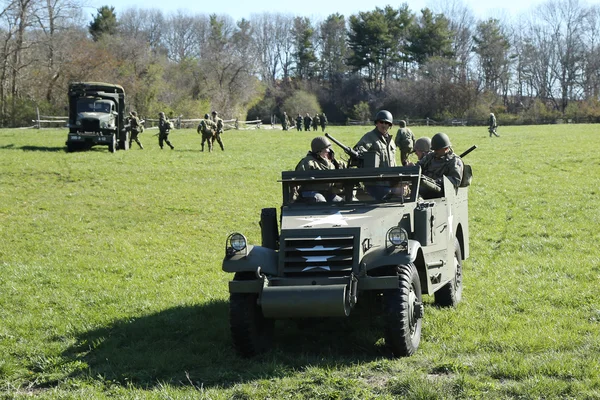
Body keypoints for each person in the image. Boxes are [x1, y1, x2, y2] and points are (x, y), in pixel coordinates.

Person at [353, 110, 397, 200]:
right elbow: (359, 148)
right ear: (377, 123)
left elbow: (394, 161)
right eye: (381, 122)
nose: (384, 125)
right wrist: (364, 152)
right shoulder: (370, 137)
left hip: (390, 182)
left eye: (387, 123)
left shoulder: (391, 141)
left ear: (390, 125)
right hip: (375, 183)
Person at [295, 136, 345, 202]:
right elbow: (297, 180)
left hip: (326, 193)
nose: (328, 151)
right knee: (320, 201)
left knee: (340, 202)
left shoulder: (330, 163)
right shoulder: (308, 163)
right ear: (319, 150)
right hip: (309, 193)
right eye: (326, 148)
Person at [417, 132, 463, 198]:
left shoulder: (454, 161)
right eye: (434, 150)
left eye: (437, 150)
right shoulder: (430, 157)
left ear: (446, 149)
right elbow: (419, 165)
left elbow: (455, 180)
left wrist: (439, 181)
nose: (435, 152)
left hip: (440, 194)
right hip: (424, 188)